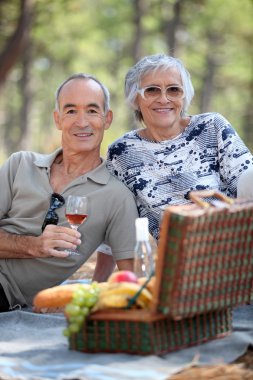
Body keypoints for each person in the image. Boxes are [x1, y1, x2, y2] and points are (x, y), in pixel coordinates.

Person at [0, 73, 138, 312]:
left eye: (92, 111)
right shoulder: (19, 164)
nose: (82, 122)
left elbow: (133, 280)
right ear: (58, 119)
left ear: (107, 119)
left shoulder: (117, 197)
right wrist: (33, 246)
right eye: (71, 110)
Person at [105, 53, 253, 241]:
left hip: (231, 243)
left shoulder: (211, 126)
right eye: (152, 90)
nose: (164, 99)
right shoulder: (122, 152)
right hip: (179, 257)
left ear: (184, 96)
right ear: (135, 98)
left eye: (174, 90)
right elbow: (117, 219)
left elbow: (247, 183)